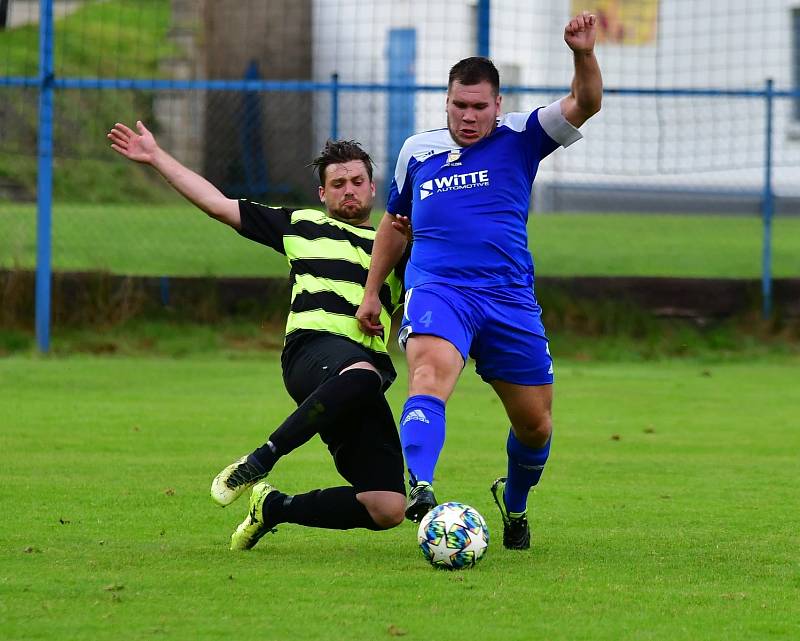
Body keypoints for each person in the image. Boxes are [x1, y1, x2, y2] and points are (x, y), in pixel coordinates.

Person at [356, 12, 603, 550]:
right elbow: (395, 225)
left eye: (478, 107)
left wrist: (582, 55)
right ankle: (420, 487)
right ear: (446, 102)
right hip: (440, 289)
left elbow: (586, 104)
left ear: (497, 104)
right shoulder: (416, 151)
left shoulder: (523, 135)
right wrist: (374, 291)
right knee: (428, 375)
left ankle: (514, 503)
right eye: (458, 105)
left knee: (536, 426)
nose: (468, 117)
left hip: (509, 298)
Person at [108, 123, 408, 550]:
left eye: (357, 182)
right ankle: (260, 460)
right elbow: (217, 204)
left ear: (373, 187)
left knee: (387, 507)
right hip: (312, 353)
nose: (349, 191)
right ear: (322, 194)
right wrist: (157, 157)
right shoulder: (300, 225)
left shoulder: (398, 246)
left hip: (359, 380)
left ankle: (273, 508)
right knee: (363, 373)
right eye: (337, 184)